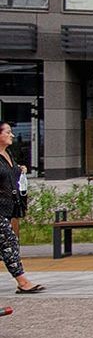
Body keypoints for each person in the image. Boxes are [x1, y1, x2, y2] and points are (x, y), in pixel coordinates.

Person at [0, 124, 40, 292]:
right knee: (9, 241)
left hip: (8, 208)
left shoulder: (7, 154)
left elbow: (10, 176)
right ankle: (23, 282)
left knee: (7, 243)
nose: (12, 135)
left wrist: (19, 169)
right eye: (8, 132)